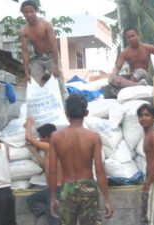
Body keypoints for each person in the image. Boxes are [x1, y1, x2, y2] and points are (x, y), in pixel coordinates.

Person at [49, 94, 114, 225]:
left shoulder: (56, 137)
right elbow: (100, 169)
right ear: (86, 112)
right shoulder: (93, 137)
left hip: (67, 189)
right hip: (88, 188)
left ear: (66, 112)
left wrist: (52, 198)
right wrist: (107, 199)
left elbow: (52, 170)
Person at [20, 0, 68, 100]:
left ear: (35, 11)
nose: (29, 14)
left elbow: (54, 45)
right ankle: (35, 114)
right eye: (26, 12)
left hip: (52, 57)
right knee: (32, 86)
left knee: (60, 86)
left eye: (31, 11)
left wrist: (56, 66)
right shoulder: (24, 30)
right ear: (23, 14)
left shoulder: (46, 25)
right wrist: (27, 73)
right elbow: (25, 52)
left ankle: (67, 113)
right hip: (38, 59)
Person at [25, 116, 63, 225]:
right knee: (31, 200)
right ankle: (51, 211)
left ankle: (53, 213)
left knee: (53, 221)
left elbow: (28, 137)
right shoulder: (50, 150)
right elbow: (45, 166)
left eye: (40, 137)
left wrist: (29, 123)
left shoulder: (50, 146)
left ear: (47, 137)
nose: (39, 140)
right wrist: (35, 153)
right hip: (52, 189)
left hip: (57, 190)